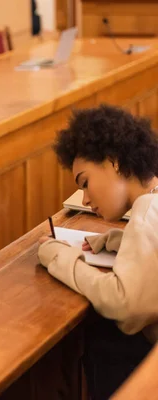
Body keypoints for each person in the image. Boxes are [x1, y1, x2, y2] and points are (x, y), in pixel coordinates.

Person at [38, 104, 158, 399]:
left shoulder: (147, 211)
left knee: (103, 338)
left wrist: (61, 258)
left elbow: (126, 305)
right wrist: (123, 240)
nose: (86, 198)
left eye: (85, 182)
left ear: (114, 161)